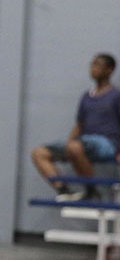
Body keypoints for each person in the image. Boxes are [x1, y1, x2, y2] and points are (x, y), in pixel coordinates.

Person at [30, 53, 120, 201]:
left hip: (108, 144)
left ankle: (92, 192)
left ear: (109, 70)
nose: (93, 68)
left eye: (98, 65)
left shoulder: (116, 96)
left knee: (75, 147)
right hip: (82, 143)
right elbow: (80, 124)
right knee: (39, 153)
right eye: (92, 64)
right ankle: (63, 190)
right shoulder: (86, 97)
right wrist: (69, 146)